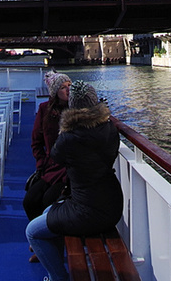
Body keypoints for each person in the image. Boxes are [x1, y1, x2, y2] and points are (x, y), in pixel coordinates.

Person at [25, 80, 123, 281]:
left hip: (87, 209)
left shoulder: (70, 136)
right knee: (47, 211)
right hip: (112, 203)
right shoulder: (110, 128)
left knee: (32, 232)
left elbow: (56, 155)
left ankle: (57, 278)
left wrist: (65, 127)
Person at [23, 72, 70, 221]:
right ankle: (39, 238)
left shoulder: (76, 110)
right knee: (29, 201)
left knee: (48, 202)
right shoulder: (45, 109)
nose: (68, 90)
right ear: (55, 92)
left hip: (68, 170)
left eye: (70, 86)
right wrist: (41, 162)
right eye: (63, 87)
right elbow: (36, 141)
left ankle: (50, 238)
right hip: (49, 167)